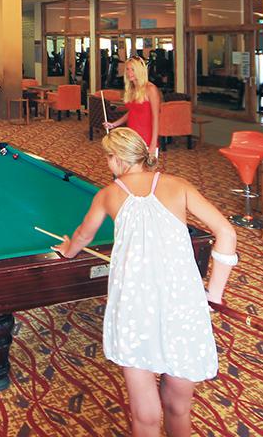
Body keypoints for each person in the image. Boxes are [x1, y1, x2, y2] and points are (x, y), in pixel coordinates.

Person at [53, 128, 237, 437]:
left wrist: (68, 248)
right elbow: (227, 234)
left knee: (145, 416)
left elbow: (83, 235)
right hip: (184, 305)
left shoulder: (108, 194)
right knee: (178, 407)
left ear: (117, 159)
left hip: (135, 308)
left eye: (108, 158)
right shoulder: (179, 185)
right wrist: (214, 295)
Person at [105, 57, 162, 160]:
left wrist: (153, 143)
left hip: (146, 136)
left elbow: (156, 118)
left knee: (144, 169)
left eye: (133, 69)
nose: (129, 72)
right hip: (132, 136)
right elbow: (133, 112)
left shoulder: (150, 89)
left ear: (140, 71)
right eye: (127, 69)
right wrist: (114, 124)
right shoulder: (132, 89)